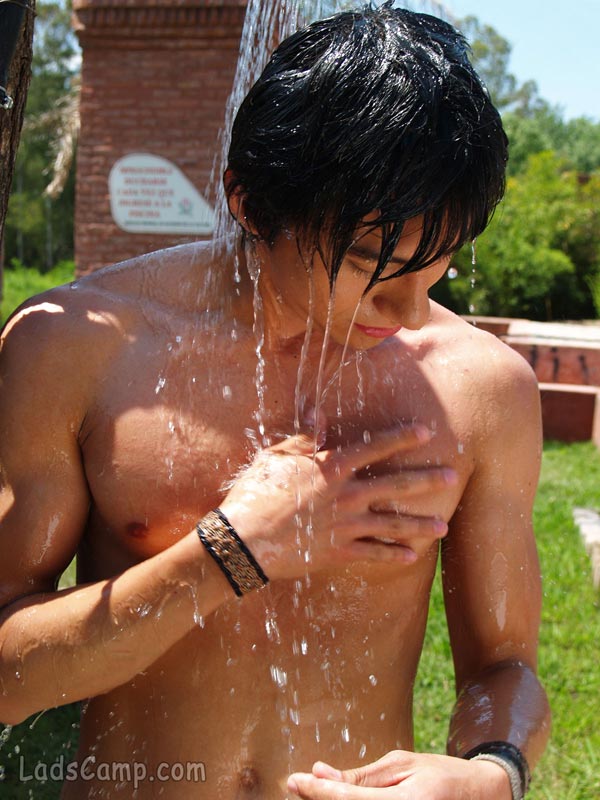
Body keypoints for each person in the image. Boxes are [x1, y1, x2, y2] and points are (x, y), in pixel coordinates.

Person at [0, 4, 550, 798]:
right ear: (250, 204)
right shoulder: (78, 349)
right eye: (369, 262)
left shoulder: (482, 388)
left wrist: (493, 770)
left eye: (440, 266)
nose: (409, 312)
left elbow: (506, 667)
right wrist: (227, 555)